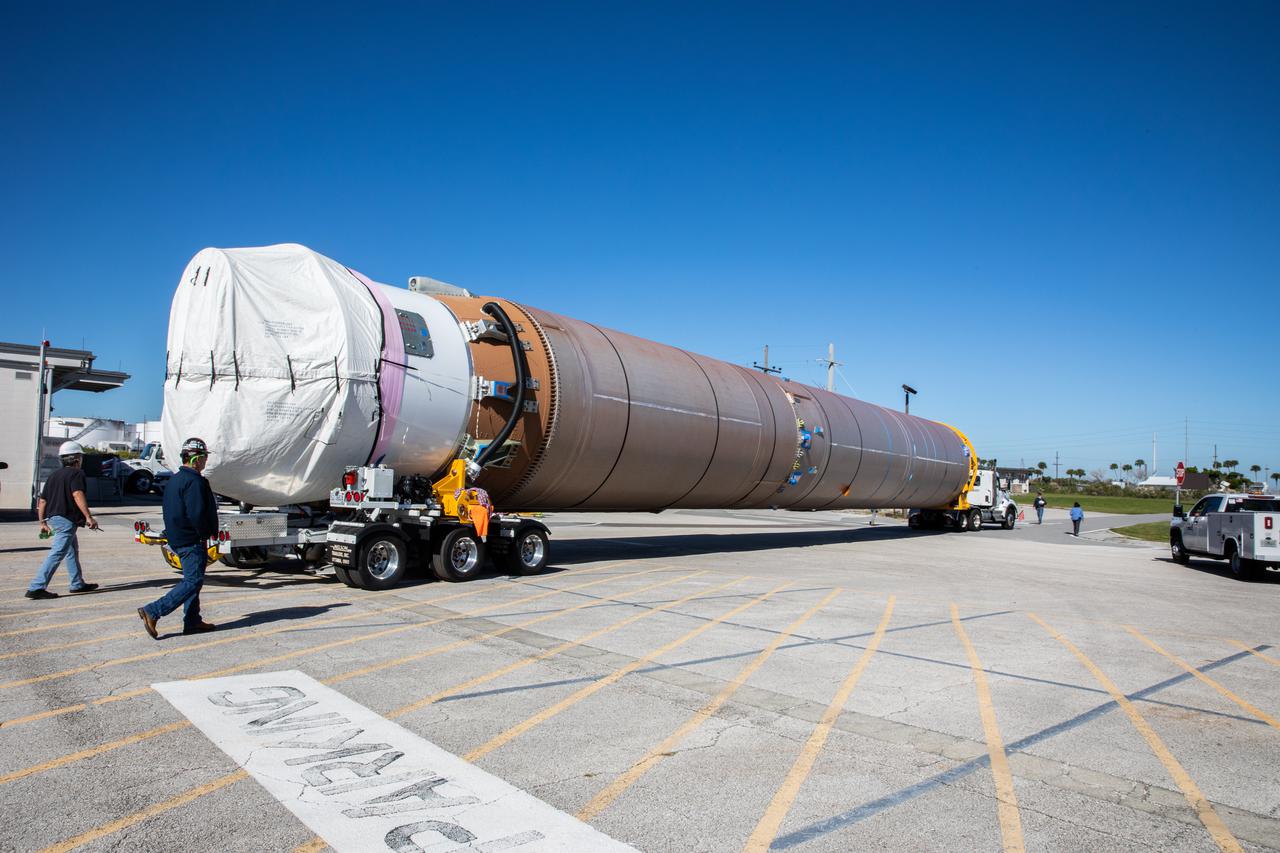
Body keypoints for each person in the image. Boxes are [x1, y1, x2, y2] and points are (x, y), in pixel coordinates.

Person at [138, 437, 219, 638]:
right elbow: (197, 513)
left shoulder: (175, 479)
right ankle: (153, 610)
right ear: (196, 459)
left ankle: (192, 621)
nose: (205, 462)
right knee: (193, 580)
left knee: (193, 580)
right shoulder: (195, 481)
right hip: (191, 539)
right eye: (204, 458)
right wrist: (205, 533)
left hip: (178, 537)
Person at [26, 441, 100, 599]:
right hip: (66, 519)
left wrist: (42, 522)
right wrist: (88, 517)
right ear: (76, 459)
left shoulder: (53, 476)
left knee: (71, 550)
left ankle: (77, 583)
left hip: (54, 518)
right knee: (58, 551)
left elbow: (43, 501)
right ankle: (37, 586)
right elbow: (77, 494)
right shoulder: (77, 474)